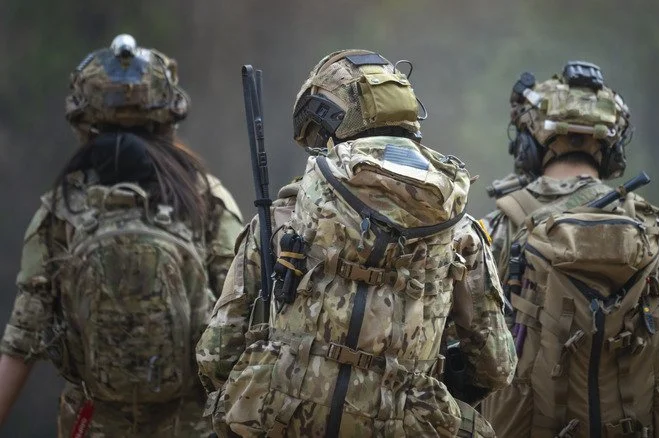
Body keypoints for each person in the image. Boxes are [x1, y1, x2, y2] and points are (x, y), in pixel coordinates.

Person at [196, 49, 517, 438]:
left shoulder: (284, 215)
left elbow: (215, 356)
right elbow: (496, 366)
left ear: (327, 123)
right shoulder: (459, 230)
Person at [0, 34, 244, 437]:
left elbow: (20, 342)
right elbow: (242, 318)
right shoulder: (206, 198)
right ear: (168, 116)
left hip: (94, 423)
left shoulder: (62, 208)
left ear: (83, 118)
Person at [479, 62, 659, 438]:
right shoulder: (656, 233)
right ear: (611, 147)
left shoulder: (499, 230)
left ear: (531, 142)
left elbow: (462, 356)